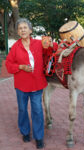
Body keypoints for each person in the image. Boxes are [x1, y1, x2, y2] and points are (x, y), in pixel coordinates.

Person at [5, 18, 57, 149]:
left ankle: (39, 137)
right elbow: (8, 64)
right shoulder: (15, 47)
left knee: (37, 111)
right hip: (21, 85)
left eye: (25, 27)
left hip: (37, 84)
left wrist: (50, 43)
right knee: (22, 110)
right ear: (18, 31)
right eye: (20, 28)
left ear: (30, 30)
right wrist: (21, 67)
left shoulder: (39, 43)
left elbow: (52, 50)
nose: (22, 30)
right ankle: (25, 132)